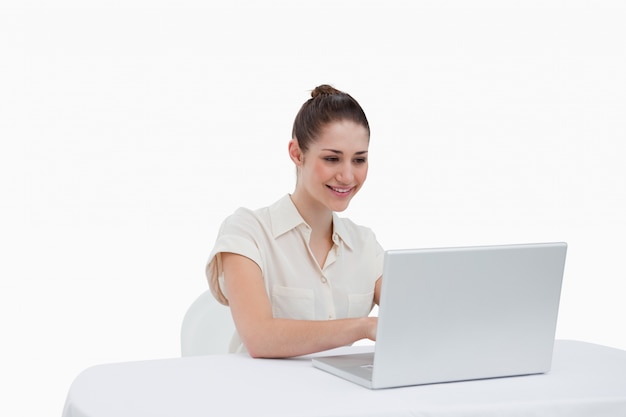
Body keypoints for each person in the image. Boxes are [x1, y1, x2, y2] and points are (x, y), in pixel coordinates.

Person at [206, 84, 384, 358]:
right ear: (297, 154)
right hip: (261, 395)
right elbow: (259, 337)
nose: (348, 176)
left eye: (359, 160)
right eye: (332, 158)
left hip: (342, 397)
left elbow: (415, 317)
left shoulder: (365, 245)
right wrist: (362, 327)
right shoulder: (248, 232)